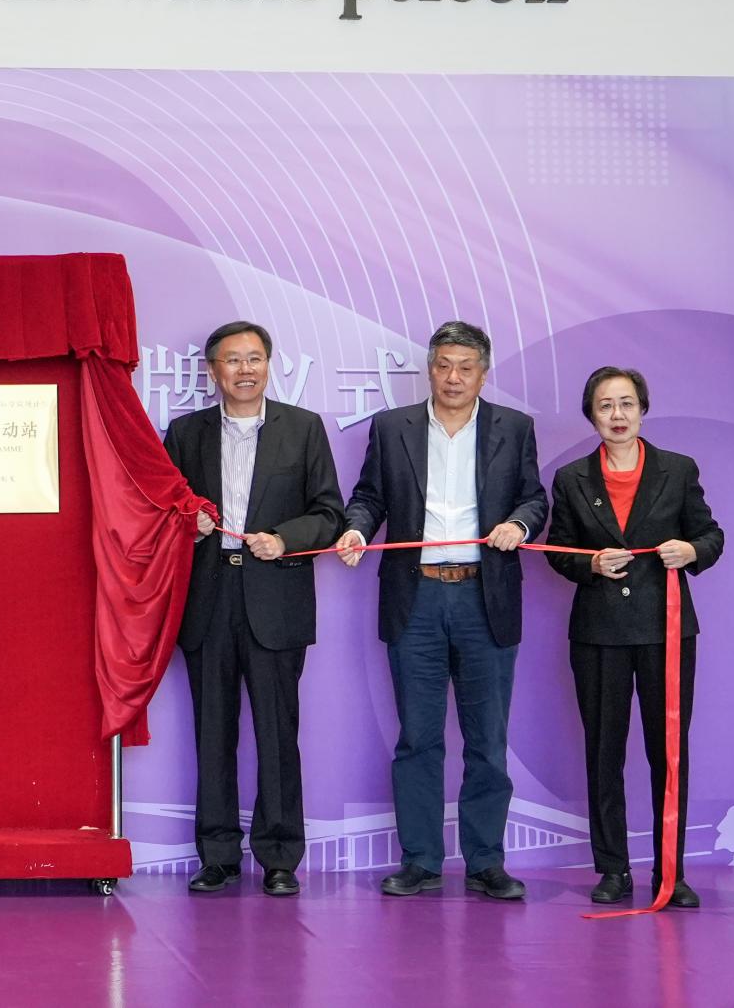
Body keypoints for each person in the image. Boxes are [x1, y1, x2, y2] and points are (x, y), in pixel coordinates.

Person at [333, 321, 546, 900]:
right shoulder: (392, 426)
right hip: (416, 597)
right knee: (418, 738)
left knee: (487, 740)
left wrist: (519, 524)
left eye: (466, 367)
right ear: (429, 368)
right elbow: (369, 497)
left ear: (483, 373)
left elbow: (534, 497)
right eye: (444, 365)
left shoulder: (514, 428)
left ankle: (486, 863)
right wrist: (356, 531)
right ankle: (421, 861)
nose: (454, 377)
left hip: (485, 596)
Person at [164, 321, 344, 897]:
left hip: (277, 598)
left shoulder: (303, 427)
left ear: (269, 365)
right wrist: (186, 525)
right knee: (212, 733)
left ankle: (280, 856)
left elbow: (329, 513)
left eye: (255, 358)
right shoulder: (185, 433)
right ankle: (217, 855)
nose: (245, 370)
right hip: (208, 597)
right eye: (233, 360)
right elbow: (158, 510)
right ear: (213, 370)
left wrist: (285, 538)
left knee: (277, 733)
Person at [544, 366, 722, 909]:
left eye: (626, 403)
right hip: (598, 634)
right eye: (605, 406)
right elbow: (558, 550)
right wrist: (590, 564)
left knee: (669, 753)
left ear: (643, 409)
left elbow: (710, 535)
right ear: (591, 415)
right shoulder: (572, 477)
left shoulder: (678, 469)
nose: (617, 415)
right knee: (604, 754)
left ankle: (671, 873)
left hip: (665, 630)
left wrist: (691, 552)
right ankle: (613, 869)